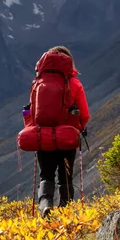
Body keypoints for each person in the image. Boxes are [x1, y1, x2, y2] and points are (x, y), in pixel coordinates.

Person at [36, 46, 90, 218]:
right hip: (67, 138)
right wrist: (79, 126)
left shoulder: (38, 83)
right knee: (65, 176)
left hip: (44, 137)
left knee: (46, 175)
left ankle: (45, 205)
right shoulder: (74, 84)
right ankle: (66, 214)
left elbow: (33, 114)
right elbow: (85, 114)